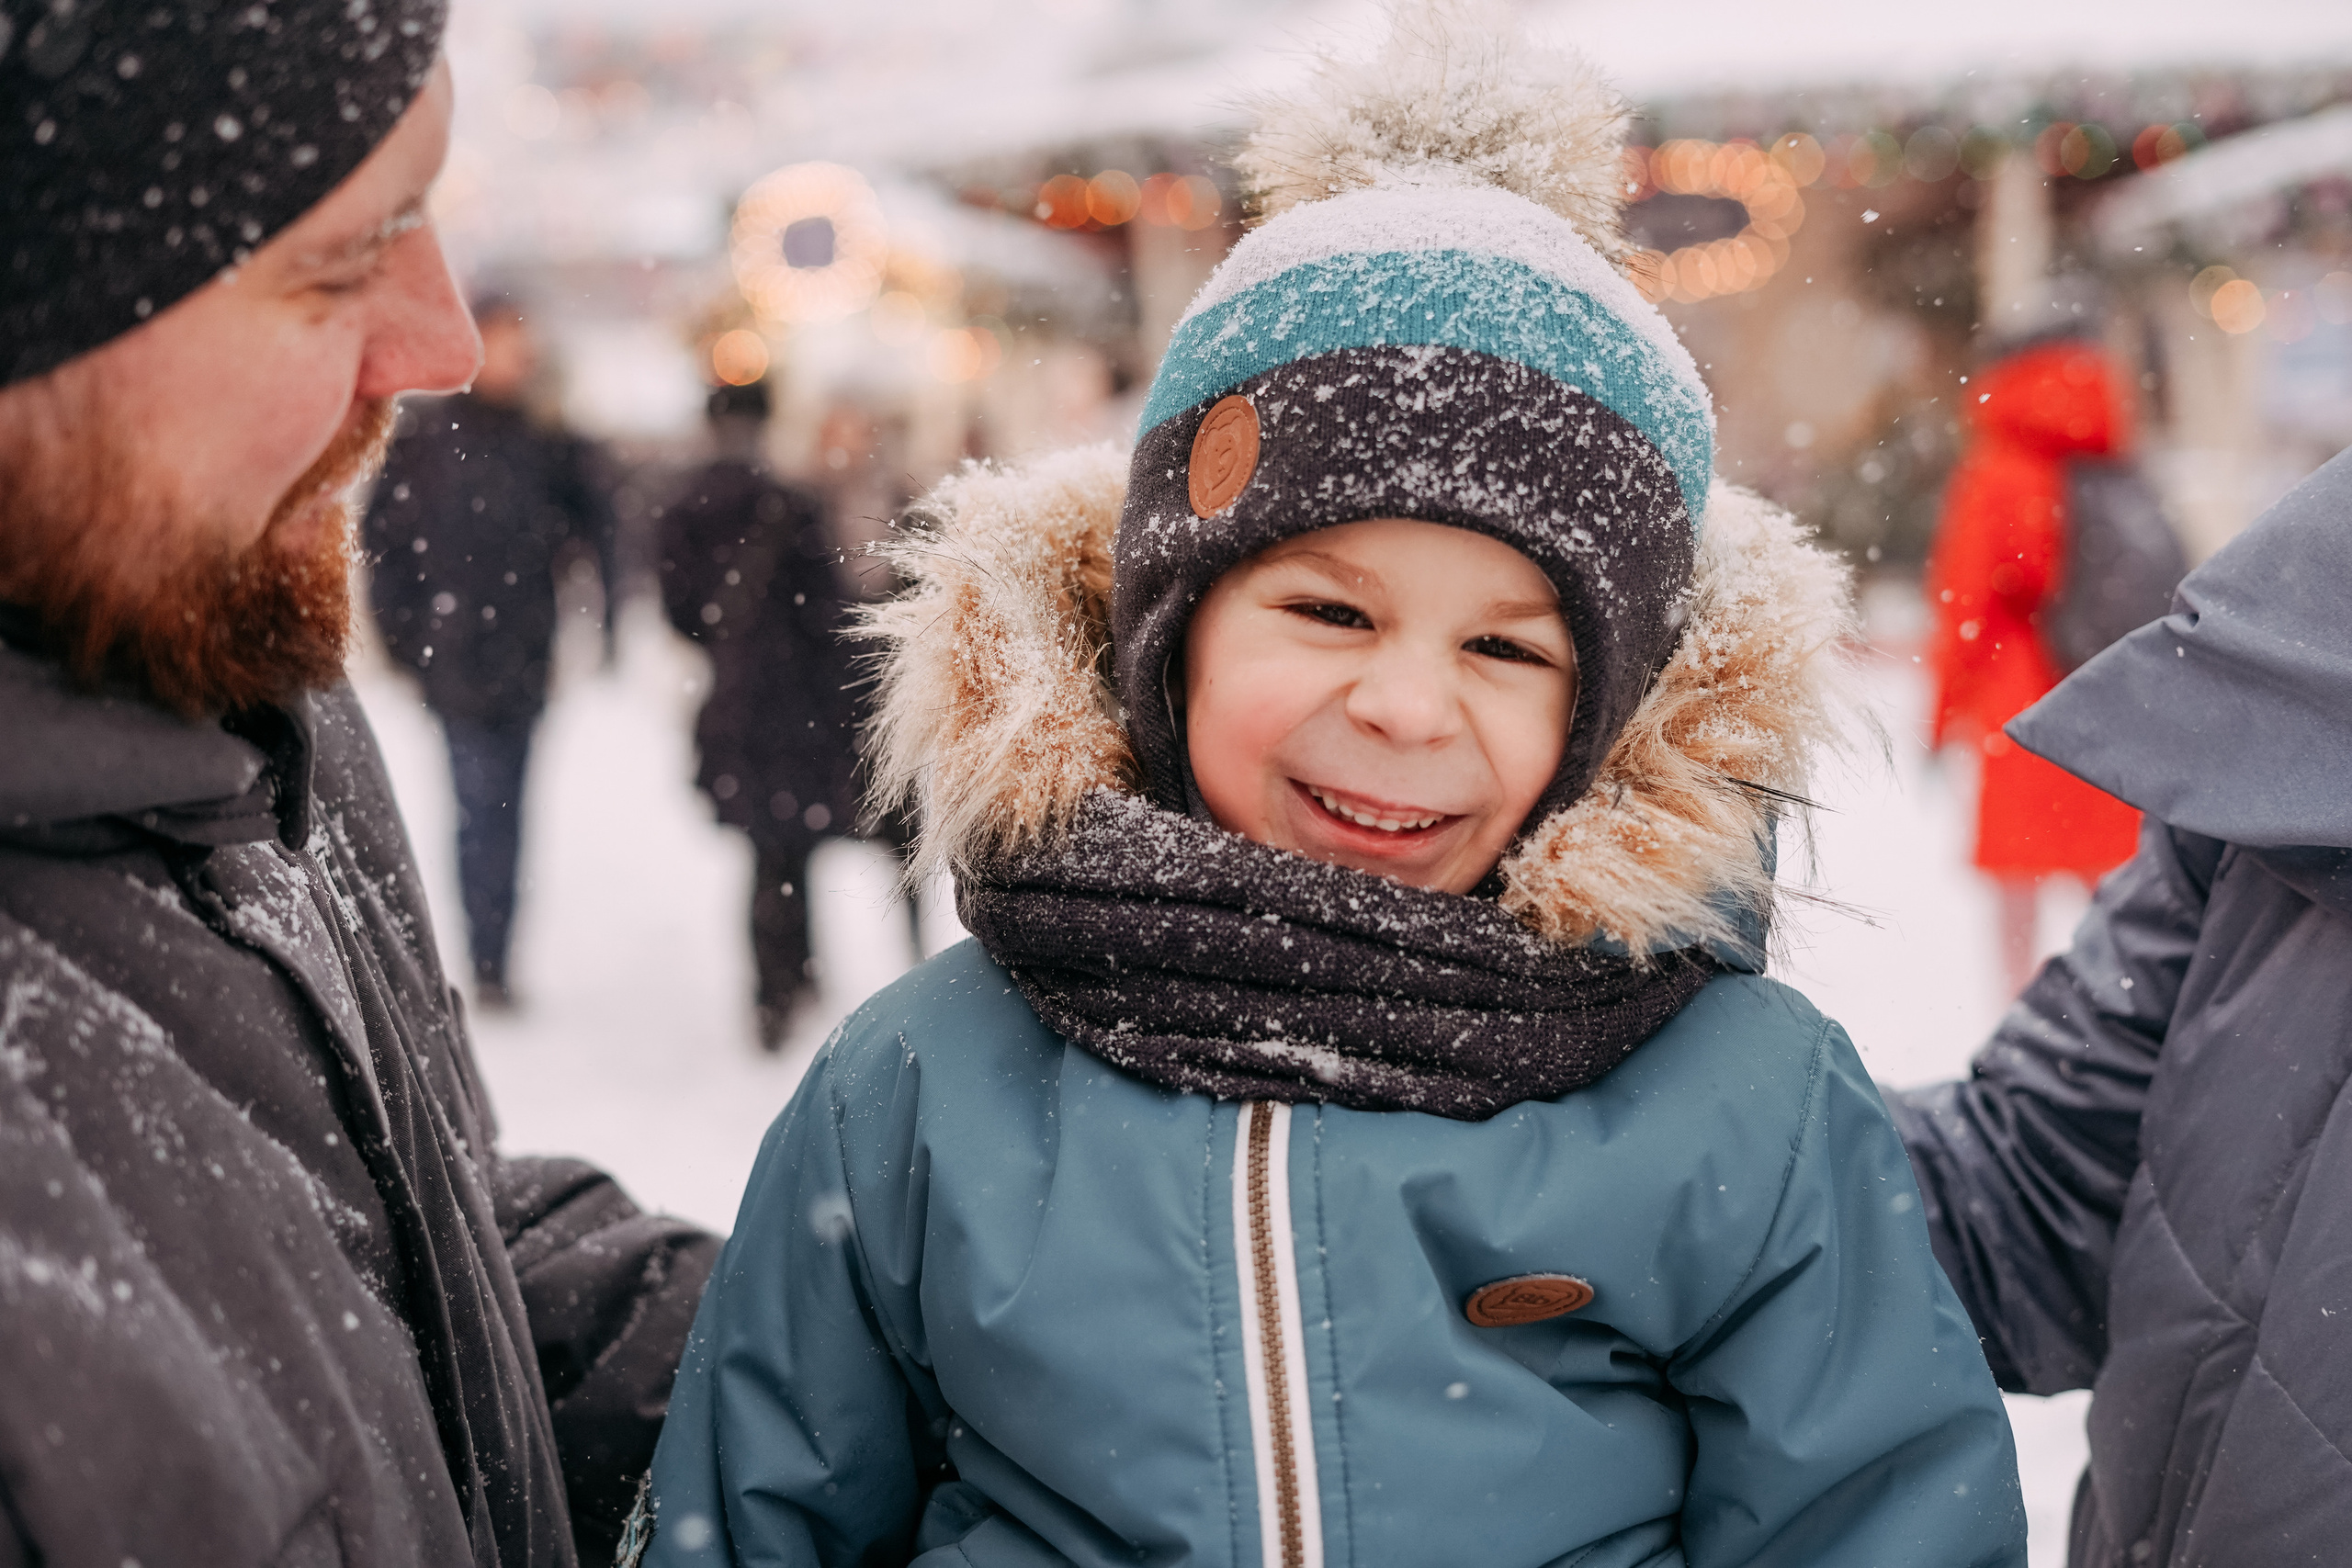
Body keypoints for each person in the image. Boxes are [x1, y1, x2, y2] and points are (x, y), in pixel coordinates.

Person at [624, 13, 2024, 1564]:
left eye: (1506, 646)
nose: (1407, 704)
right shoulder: (925, 1087)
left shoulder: (1737, 1103)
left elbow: (1879, 1521)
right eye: (1329, 612)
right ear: (1170, 632)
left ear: (1608, 708)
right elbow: (758, 1516)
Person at [0, 6, 715, 1564]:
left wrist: (859, 1340)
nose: (441, 341)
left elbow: (370, 1269)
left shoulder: (212, 672)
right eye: (336, 261)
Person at [1894, 447, 2352, 1568]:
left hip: (2018, 678)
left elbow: (1983, 576)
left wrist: (1954, 690)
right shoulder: (2311, 673)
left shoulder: (2015, 466)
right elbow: (2039, 1192)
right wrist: (1704, 1106)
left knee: (2015, 877)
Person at [364, 294, 614, 1009]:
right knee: (478, 802)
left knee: (508, 804)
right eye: (503, 339)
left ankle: (496, 950)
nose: (516, 355)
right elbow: (386, 547)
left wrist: (596, 619)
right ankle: (486, 956)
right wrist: (407, 639)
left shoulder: (547, 437)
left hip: (524, 654)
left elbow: (596, 530)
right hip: (453, 657)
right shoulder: (427, 437)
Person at [1925, 301, 2144, 993]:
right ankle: (2126, 1022)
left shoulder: (1997, 467)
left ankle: (2020, 1023)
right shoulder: (2110, 449)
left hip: (2018, 702)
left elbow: (1966, 605)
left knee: (2018, 892)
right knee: (2110, 890)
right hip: (2104, 696)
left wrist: (1940, 716)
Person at [657, 380, 862, 1046]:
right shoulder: (790, 502)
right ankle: (792, 974)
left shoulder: (685, 502)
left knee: (763, 849)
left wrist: (731, 642)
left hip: (737, 701)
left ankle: (774, 986)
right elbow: (829, 613)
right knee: (791, 845)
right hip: (799, 703)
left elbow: (680, 614)